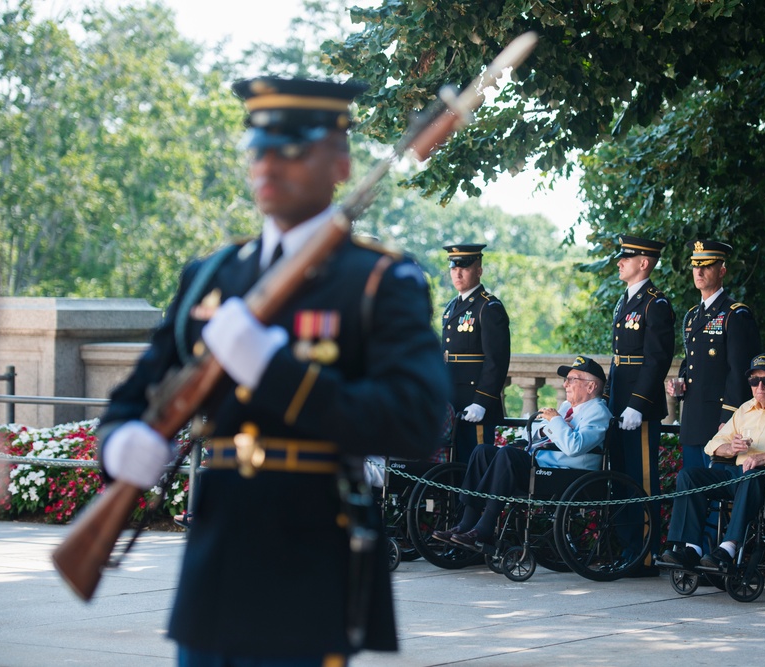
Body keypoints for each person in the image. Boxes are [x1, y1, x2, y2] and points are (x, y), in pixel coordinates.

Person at [97, 76, 450, 666]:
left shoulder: (378, 282)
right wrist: (121, 442)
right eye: (257, 148)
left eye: (290, 149)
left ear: (339, 161)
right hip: (213, 567)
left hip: (309, 565)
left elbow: (414, 421)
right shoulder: (212, 276)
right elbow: (135, 394)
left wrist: (272, 368)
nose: (267, 163)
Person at [435, 356, 612, 549]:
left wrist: (556, 422)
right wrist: (551, 426)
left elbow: (574, 447)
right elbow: (533, 435)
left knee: (508, 455)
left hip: (566, 474)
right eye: (565, 380)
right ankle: (466, 523)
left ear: (591, 386)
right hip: (542, 466)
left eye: (572, 380)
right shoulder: (566, 407)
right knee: (482, 452)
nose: (565, 385)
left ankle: (484, 529)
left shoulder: (598, 412)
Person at [661, 353, 765, 570]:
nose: (759, 387)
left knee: (753, 476)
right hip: (740, 474)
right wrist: (730, 448)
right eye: (754, 381)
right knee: (689, 476)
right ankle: (691, 548)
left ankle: (728, 548)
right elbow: (712, 445)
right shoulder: (745, 409)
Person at [607, 234, 676, 568]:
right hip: (620, 402)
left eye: (626, 258)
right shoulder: (626, 300)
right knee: (621, 479)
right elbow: (619, 359)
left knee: (642, 481)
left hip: (640, 406)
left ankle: (645, 555)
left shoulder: (655, 304)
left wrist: (636, 403)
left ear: (644, 263)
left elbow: (656, 360)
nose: (619, 262)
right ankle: (627, 548)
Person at [668, 240, 761, 470]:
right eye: (695, 265)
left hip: (719, 421)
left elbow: (740, 373)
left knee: (717, 495)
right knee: (692, 491)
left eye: (706, 266)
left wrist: (728, 418)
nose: (698, 271)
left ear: (722, 271)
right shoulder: (692, 316)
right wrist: (679, 384)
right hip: (693, 419)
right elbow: (691, 362)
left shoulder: (735, 314)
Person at [440, 243, 511, 464]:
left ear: (478, 270)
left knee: (476, 464)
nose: (457, 273)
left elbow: (496, 360)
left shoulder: (488, 307)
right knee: (454, 464)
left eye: (464, 268)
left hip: (475, 404)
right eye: (453, 268)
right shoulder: (452, 307)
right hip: (453, 402)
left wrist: (482, 401)